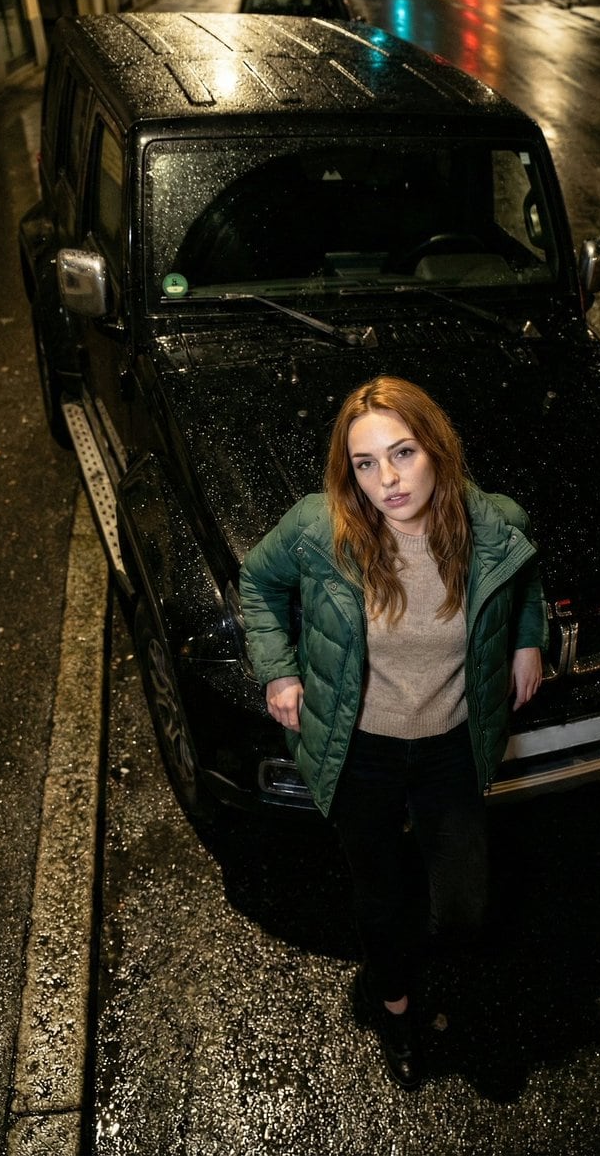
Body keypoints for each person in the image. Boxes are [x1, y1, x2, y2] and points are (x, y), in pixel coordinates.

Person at [239, 375, 547, 1090]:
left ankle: (429, 962)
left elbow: (524, 581)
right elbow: (257, 582)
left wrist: (527, 638)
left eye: (403, 453)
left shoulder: (493, 523)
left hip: (451, 744)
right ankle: (396, 1009)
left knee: (463, 906)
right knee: (379, 896)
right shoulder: (320, 527)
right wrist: (279, 672)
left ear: (435, 446)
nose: (388, 480)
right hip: (361, 749)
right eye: (366, 463)